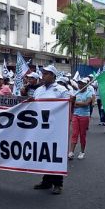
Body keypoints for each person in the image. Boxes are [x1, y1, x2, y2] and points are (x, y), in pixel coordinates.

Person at [32, 64, 70, 195]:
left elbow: (68, 107)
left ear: (53, 76)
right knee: (45, 154)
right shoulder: (38, 90)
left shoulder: (61, 90)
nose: (43, 76)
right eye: (43, 73)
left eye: (46, 73)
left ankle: (58, 184)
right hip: (41, 127)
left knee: (55, 155)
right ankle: (46, 181)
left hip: (56, 127)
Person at [68, 78, 94, 160]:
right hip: (75, 115)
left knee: (82, 135)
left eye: (82, 83)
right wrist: (76, 103)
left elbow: (86, 103)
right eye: (79, 83)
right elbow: (71, 103)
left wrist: (76, 103)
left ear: (86, 85)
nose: (80, 85)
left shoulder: (89, 93)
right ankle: (71, 152)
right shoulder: (76, 92)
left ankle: (82, 152)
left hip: (84, 116)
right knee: (74, 133)